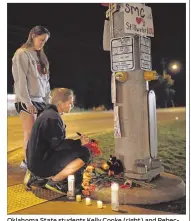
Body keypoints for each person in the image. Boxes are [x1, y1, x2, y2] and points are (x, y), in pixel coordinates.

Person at [24, 88, 91, 194]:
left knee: (75, 149)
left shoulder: (46, 114)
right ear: (60, 103)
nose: (72, 106)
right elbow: (58, 145)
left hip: (33, 163)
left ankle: (36, 176)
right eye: (70, 103)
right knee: (85, 152)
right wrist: (80, 143)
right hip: (40, 165)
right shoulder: (52, 118)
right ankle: (55, 181)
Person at [12, 26, 51, 169]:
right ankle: (28, 162)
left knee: (42, 133)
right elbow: (20, 79)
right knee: (30, 132)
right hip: (26, 100)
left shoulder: (41, 57)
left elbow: (46, 82)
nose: (42, 44)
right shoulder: (22, 54)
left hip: (41, 100)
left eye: (44, 41)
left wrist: (48, 102)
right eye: (41, 40)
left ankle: (38, 160)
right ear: (33, 36)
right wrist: (27, 102)